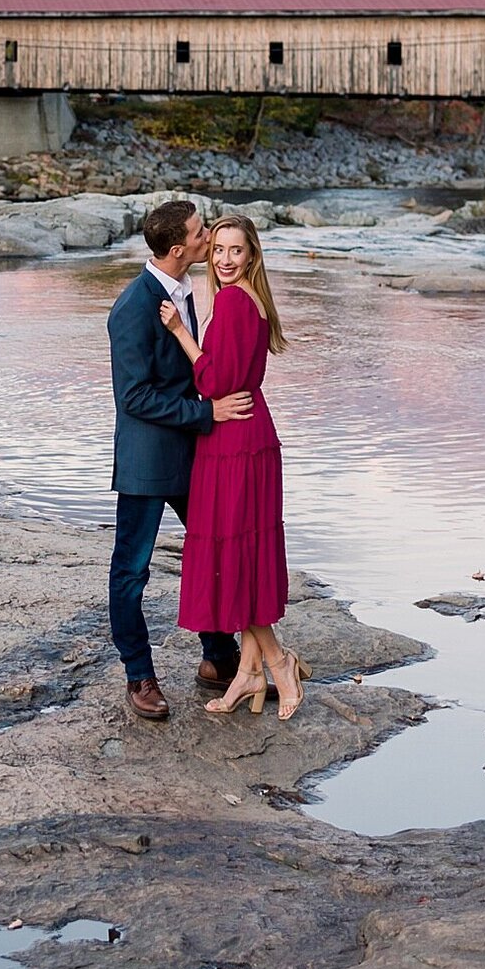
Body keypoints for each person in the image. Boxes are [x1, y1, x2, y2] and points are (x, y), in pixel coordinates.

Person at [159, 214, 309, 721]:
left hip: (234, 440)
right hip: (245, 434)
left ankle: (279, 662)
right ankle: (248, 673)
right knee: (240, 552)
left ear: (252, 256)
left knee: (235, 556)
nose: (224, 259)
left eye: (235, 251)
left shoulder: (233, 302)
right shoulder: (251, 299)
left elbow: (213, 382)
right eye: (218, 249)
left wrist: (180, 332)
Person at [107, 199, 252, 722]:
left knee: (213, 552)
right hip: (148, 461)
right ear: (176, 249)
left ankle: (218, 658)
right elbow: (134, 397)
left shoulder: (188, 288)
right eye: (199, 233)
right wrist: (207, 411)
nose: (207, 237)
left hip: (195, 455)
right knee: (132, 570)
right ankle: (139, 675)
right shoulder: (132, 307)